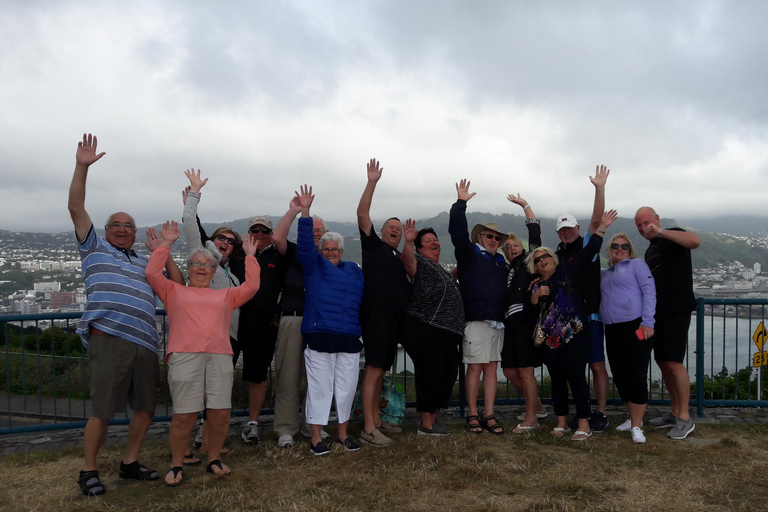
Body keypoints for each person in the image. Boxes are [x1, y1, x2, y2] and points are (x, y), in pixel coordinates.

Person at [68, 133, 184, 496]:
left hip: (145, 342)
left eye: (128, 226)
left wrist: (165, 250)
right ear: (105, 232)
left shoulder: (145, 262)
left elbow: (178, 286)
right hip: (110, 338)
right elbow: (75, 208)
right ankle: (88, 470)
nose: (122, 229)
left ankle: (129, 462)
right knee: (102, 411)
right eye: (116, 225)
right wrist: (81, 167)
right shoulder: (94, 249)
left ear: (135, 234)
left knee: (146, 409)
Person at [146, 221, 260, 485]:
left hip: (220, 357)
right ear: (188, 270)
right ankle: (176, 463)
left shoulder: (225, 295)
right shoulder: (173, 291)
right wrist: (165, 245)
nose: (201, 268)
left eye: (207, 265)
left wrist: (252, 258)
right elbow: (153, 274)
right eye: (195, 264)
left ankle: (214, 458)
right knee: (184, 414)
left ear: (213, 270)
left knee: (220, 414)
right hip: (185, 356)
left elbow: (251, 288)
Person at [528, 210, 617, 441]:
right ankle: (561, 422)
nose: (542, 260)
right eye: (537, 260)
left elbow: (589, 250)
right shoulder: (536, 284)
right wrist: (535, 296)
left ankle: (584, 423)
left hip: (574, 333)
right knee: (556, 378)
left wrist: (602, 227)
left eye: (545, 256)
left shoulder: (568, 270)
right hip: (551, 337)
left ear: (553, 258)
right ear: (535, 267)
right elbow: (531, 311)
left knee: (576, 376)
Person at [295, 185, 365, 455]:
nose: (330, 252)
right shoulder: (313, 267)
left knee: (346, 390)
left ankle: (343, 434)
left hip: (348, 337)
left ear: (342, 251)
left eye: (335, 249)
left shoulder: (354, 272)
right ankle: (316, 438)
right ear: (320, 250)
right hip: (320, 333)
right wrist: (306, 213)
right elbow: (304, 244)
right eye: (326, 249)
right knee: (320, 388)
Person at [181, 170, 244, 457]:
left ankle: (207, 445)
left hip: (225, 341)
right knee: (195, 396)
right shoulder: (206, 260)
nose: (225, 242)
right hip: (202, 339)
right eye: (221, 238)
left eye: (231, 241)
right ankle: (189, 449)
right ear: (213, 241)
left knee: (215, 398)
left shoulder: (231, 277)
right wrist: (194, 194)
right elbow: (191, 227)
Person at [356, 159, 410, 446]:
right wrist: (372, 182)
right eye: (391, 227)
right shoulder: (373, 245)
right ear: (382, 231)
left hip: (393, 318)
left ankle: (376, 419)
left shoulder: (399, 258)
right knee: (374, 368)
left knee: (382, 368)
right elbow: (362, 213)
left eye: (398, 229)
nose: (395, 230)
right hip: (375, 314)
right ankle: (368, 428)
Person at [635, 206, 701, 440]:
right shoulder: (650, 250)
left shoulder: (672, 233)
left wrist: (662, 231)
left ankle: (685, 417)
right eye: (639, 225)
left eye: (646, 222)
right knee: (663, 361)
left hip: (677, 308)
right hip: (657, 312)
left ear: (657, 219)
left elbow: (695, 241)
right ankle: (675, 412)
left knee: (674, 362)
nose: (644, 228)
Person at [554, 165, 611, 432]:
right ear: (558, 234)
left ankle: (599, 412)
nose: (567, 233)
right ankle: (580, 413)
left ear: (577, 228)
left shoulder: (588, 245)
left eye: (570, 229)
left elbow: (597, 220)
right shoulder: (556, 255)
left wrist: (599, 188)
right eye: (562, 231)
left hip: (590, 313)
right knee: (573, 369)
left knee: (596, 364)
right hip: (567, 318)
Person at [449, 179, 508, 435]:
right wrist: (460, 203)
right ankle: (473, 414)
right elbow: (457, 234)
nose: (494, 240)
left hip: (497, 321)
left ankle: (490, 413)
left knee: (492, 369)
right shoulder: (469, 254)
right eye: (489, 236)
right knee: (474, 368)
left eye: (497, 237)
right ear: (479, 237)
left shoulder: (501, 262)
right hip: (475, 321)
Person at [271, 196, 331, 448]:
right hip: (294, 318)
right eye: (313, 230)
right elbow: (276, 239)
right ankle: (286, 427)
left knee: (317, 378)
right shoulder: (295, 251)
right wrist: (295, 212)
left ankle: (312, 425)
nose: (316, 235)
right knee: (288, 376)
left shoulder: (330, 258)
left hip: (320, 323)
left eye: (320, 231)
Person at [400, 220, 465, 436]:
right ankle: (426, 424)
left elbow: (455, 274)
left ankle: (435, 420)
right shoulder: (418, 260)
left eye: (435, 240)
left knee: (446, 376)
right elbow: (408, 263)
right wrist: (408, 242)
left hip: (447, 333)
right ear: (420, 248)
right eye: (428, 241)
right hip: (426, 327)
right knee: (429, 374)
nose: (434, 242)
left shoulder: (442, 271)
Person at [237, 213, 289, 444]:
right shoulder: (236, 254)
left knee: (257, 377)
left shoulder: (278, 257)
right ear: (248, 233)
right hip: (231, 323)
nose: (259, 235)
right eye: (255, 230)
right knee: (220, 373)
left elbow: (290, 287)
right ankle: (206, 423)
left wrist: (277, 317)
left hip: (263, 325)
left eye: (264, 231)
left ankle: (253, 423)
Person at [600, 233, 656, 444]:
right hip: (612, 328)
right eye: (616, 245)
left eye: (625, 245)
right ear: (609, 248)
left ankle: (636, 426)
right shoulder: (604, 274)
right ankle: (634, 418)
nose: (620, 248)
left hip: (637, 325)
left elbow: (649, 291)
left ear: (630, 249)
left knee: (637, 374)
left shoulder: (637, 265)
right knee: (620, 375)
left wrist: (648, 321)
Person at [499, 193, 546, 433]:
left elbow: (535, 234)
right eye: (508, 247)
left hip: (525, 319)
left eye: (515, 245)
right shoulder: (507, 269)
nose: (512, 249)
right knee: (508, 370)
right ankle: (537, 407)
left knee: (526, 370)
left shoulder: (529, 262)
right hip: (510, 322)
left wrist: (525, 206)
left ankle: (531, 418)